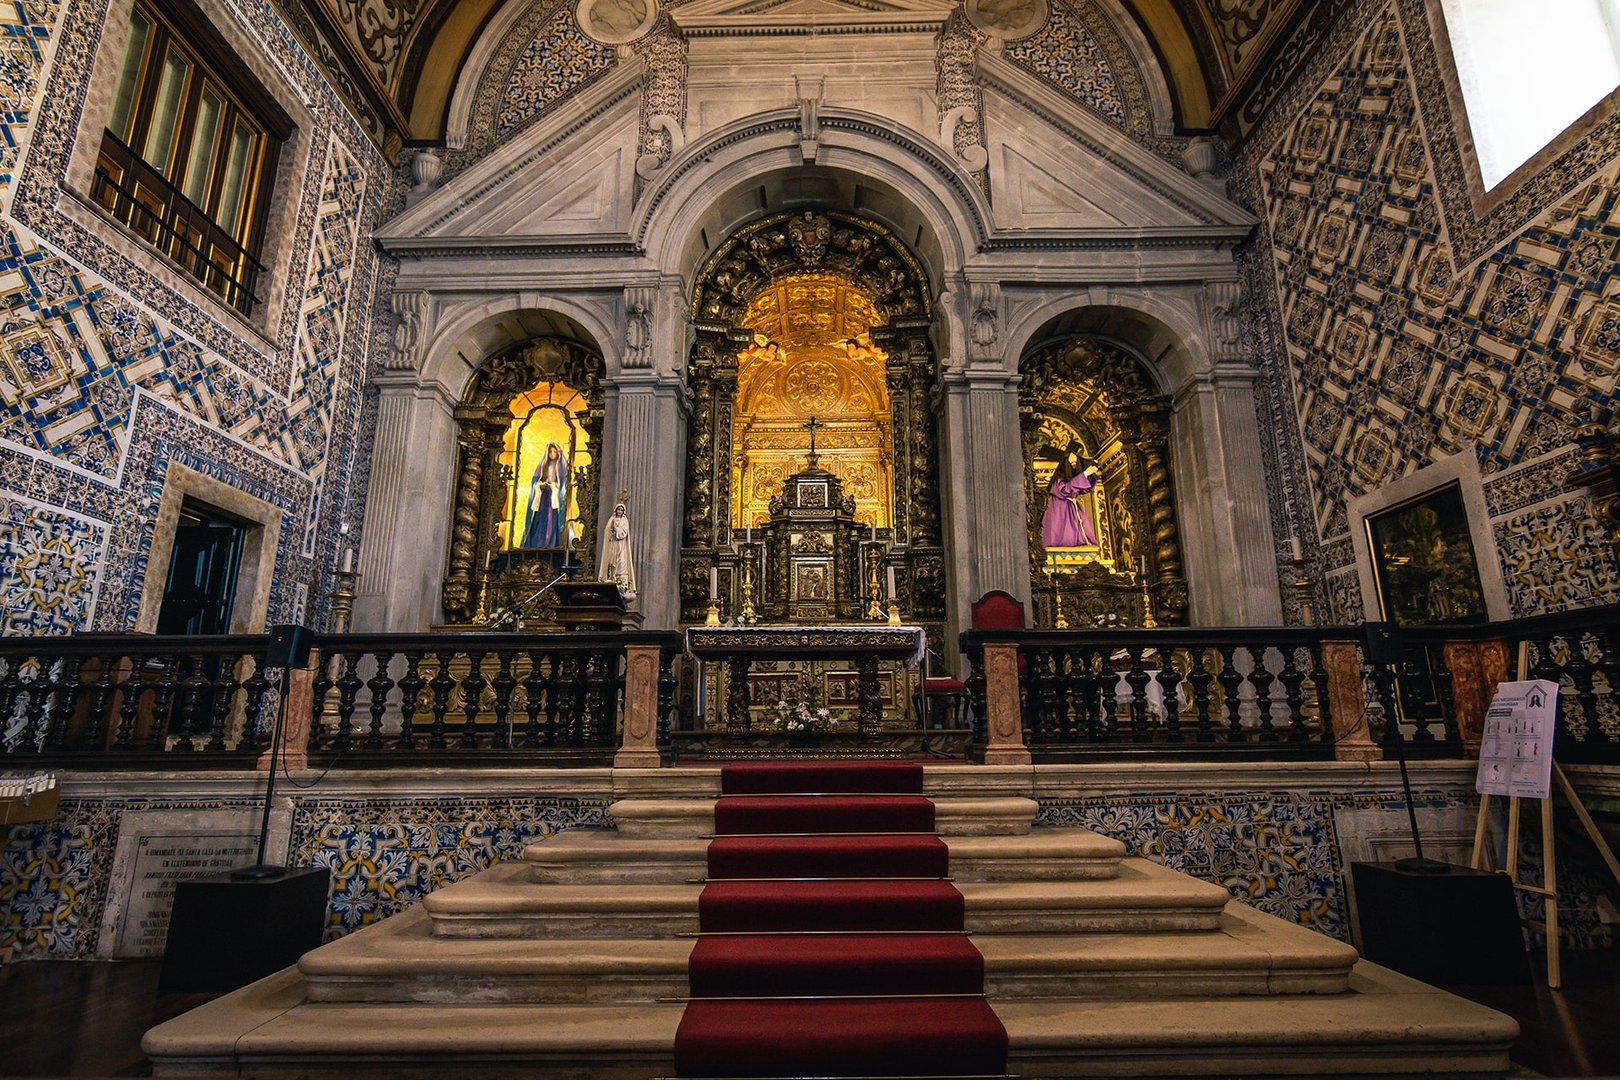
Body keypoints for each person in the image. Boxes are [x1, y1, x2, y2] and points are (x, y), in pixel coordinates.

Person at [1041, 452, 1098, 549]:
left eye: (1076, 463)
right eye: (1071, 463)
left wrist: (1090, 475)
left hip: (1072, 506)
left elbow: (1084, 488)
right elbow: (1065, 489)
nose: (1074, 465)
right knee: (1065, 532)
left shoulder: (1073, 478)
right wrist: (1085, 474)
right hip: (1061, 509)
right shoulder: (1058, 480)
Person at [521, 442, 568, 548]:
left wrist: (555, 486)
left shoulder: (561, 467)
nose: (552, 454)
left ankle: (551, 543)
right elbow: (537, 480)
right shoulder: (543, 466)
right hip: (543, 495)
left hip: (554, 497)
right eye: (550, 451)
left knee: (551, 519)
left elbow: (563, 485)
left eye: (554, 451)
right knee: (540, 519)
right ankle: (537, 543)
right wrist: (540, 484)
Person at [599, 502, 636, 599]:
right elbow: (607, 532)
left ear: (623, 512)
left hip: (621, 546)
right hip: (613, 545)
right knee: (611, 563)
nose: (620, 511)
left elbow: (624, 533)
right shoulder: (612, 519)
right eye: (618, 509)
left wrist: (616, 529)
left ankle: (622, 585)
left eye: (621, 510)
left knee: (621, 563)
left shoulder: (625, 520)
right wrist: (611, 530)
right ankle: (611, 579)